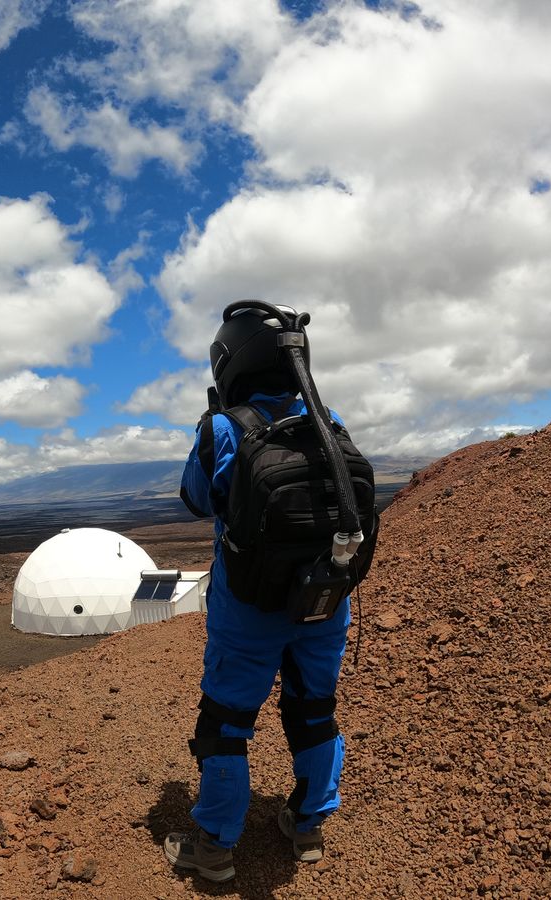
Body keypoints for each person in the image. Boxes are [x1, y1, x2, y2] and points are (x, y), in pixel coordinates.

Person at [164, 302, 357, 883]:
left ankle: (216, 846)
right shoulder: (328, 416)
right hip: (323, 602)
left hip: (248, 610)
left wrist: (216, 424)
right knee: (314, 712)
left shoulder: (224, 427)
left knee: (224, 722)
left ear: (230, 362)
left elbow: (197, 498)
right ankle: (307, 826)